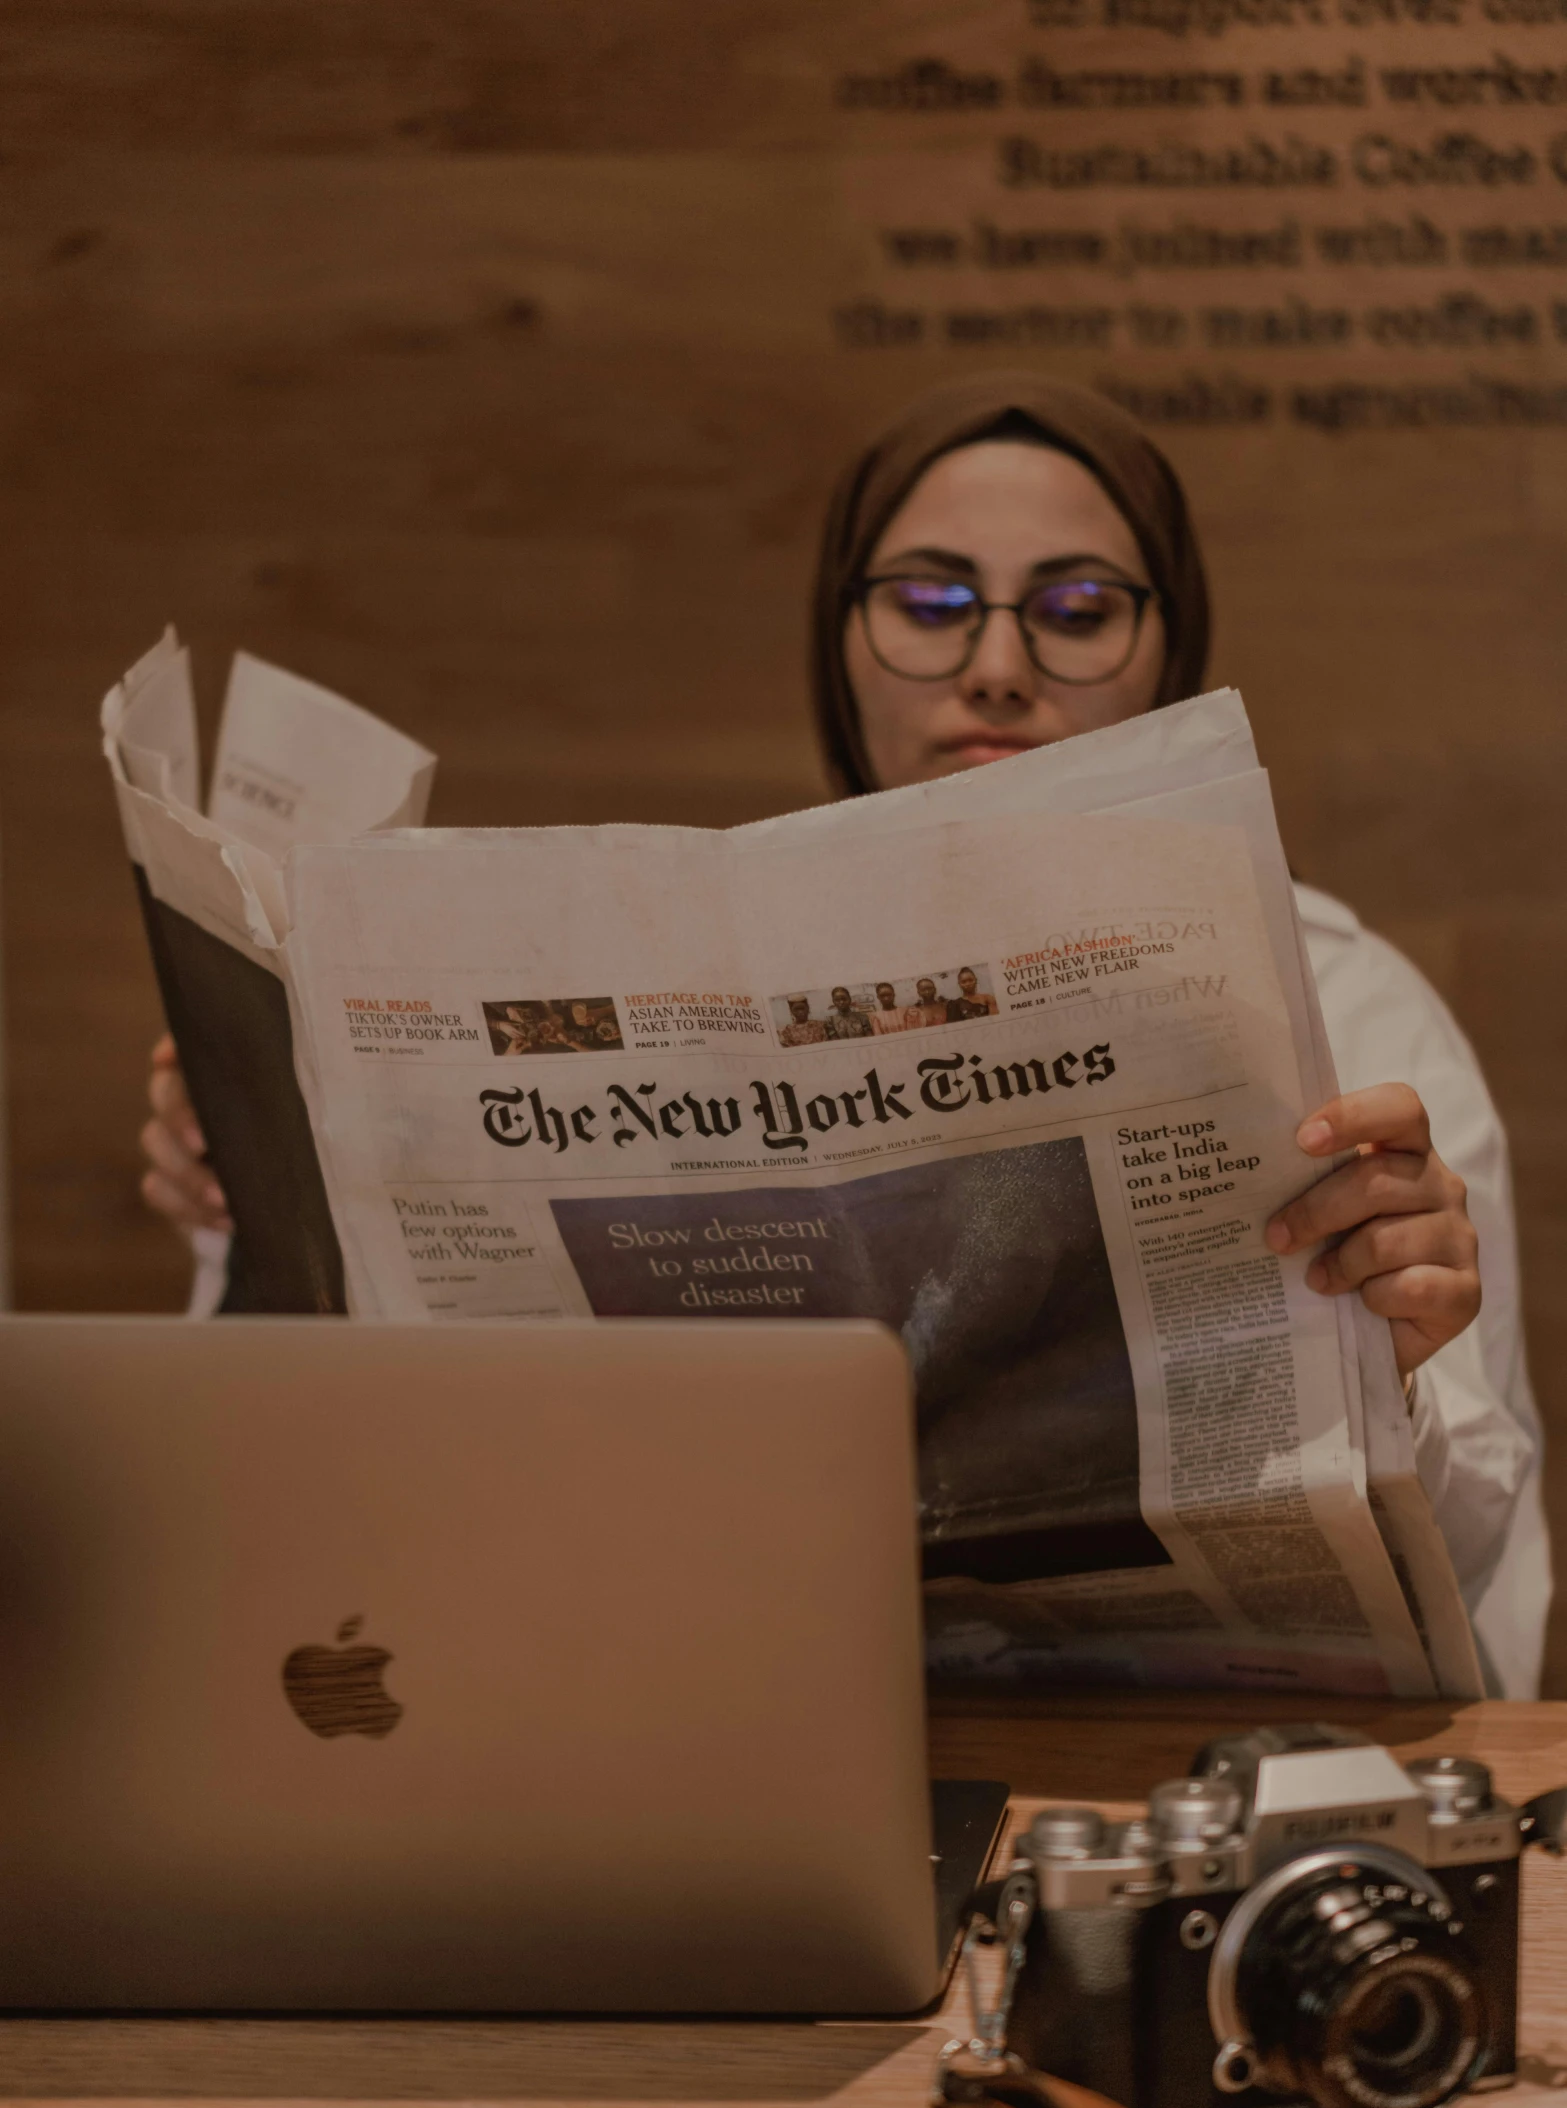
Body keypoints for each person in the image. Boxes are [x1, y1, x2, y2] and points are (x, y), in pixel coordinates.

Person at [140, 371, 1549, 1694]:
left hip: (1165, 1773)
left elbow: (1491, 1589)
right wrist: (253, 1211)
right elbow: (355, 1502)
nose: (995, 663)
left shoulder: (1342, 1001)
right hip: (710, 1739)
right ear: (839, 641)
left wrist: (1397, 1356)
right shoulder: (664, 981)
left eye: (1075, 605)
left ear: (1170, 649)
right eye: (929, 598)